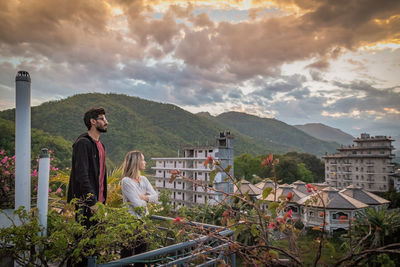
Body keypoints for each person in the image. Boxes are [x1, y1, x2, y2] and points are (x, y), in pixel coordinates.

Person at [67, 107, 108, 228]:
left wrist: (100, 203)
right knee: (84, 241)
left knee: (97, 242)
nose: (106, 122)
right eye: (102, 119)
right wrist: (92, 203)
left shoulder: (101, 145)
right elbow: (82, 175)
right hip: (86, 205)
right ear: (93, 121)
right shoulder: (83, 143)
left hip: (99, 204)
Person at [120, 151, 158, 264]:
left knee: (142, 256)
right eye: (142, 159)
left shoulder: (144, 179)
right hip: (129, 223)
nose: (145, 162)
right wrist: (147, 198)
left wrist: (143, 198)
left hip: (143, 223)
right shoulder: (126, 181)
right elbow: (137, 205)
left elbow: (156, 198)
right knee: (126, 256)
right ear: (136, 162)